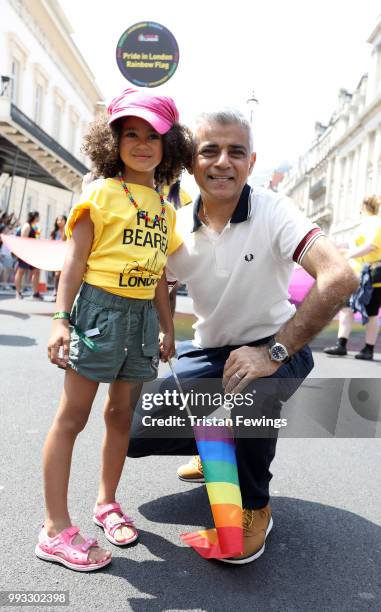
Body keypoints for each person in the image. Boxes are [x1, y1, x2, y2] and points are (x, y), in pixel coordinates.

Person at [128, 108, 358, 564]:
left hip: (277, 348)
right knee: (134, 432)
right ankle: (216, 440)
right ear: (191, 163)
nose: (222, 162)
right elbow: (158, 279)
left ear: (251, 163)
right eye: (209, 151)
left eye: (236, 152)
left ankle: (254, 509)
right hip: (212, 350)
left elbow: (340, 276)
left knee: (249, 387)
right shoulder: (174, 224)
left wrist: (273, 352)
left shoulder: (274, 209)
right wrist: (163, 329)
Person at [35, 87, 193, 571]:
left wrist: (168, 329)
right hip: (99, 312)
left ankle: (107, 503)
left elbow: (160, 280)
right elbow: (75, 261)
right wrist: (61, 319)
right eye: (131, 134)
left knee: (121, 414)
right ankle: (55, 529)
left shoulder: (166, 210)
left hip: (143, 319)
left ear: (169, 146)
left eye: (153, 135)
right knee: (73, 417)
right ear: (113, 141)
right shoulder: (100, 193)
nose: (142, 143)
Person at [324, 195, 381, 361]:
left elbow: (372, 246)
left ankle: (366, 349)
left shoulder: (376, 223)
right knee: (348, 308)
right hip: (357, 274)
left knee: (369, 313)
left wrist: (349, 254)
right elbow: (355, 245)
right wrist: (340, 247)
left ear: (363, 207)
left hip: (372, 275)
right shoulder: (363, 225)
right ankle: (344, 345)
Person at [14, 210, 43, 299]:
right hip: (25, 252)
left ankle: (35, 292)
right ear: (34, 217)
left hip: (31, 253)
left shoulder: (34, 226)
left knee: (36, 272)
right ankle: (18, 292)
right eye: (38, 216)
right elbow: (23, 239)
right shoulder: (27, 226)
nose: (39, 218)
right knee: (21, 271)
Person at [50, 215, 67, 298]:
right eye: (58, 220)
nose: (60, 221)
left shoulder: (68, 231)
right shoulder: (54, 232)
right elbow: (51, 243)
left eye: (61, 220)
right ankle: (55, 290)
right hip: (56, 255)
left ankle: (61, 291)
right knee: (57, 274)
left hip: (65, 255)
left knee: (63, 274)